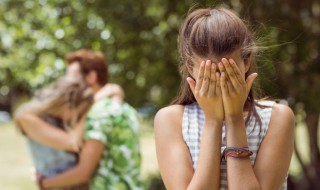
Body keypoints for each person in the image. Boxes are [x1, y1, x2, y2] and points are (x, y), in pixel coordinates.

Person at [154, 7, 294, 190]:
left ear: (246, 61)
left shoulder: (278, 117)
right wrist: (213, 120)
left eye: (227, 72)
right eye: (209, 74)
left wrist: (234, 118)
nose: (219, 82)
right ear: (190, 67)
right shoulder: (171, 120)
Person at [25, 49, 143, 190]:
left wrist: (43, 183)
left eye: (73, 77)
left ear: (91, 77)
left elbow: (83, 173)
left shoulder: (98, 114)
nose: (68, 82)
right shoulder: (125, 108)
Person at [15, 76, 94, 190]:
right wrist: (88, 111)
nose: (77, 116)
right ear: (66, 104)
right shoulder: (27, 116)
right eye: (78, 111)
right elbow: (72, 143)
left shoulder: (61, 119)